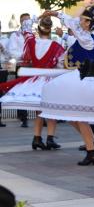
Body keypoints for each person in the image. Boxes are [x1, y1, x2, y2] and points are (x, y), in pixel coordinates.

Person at [39, 6, 94, 165]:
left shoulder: (88, 38)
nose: (80, 21)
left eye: (83, 19)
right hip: (79, 80)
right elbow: (72, 25)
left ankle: (92, 151)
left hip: (83, 81)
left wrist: (55, 14)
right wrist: (54, 14)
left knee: (79, 117)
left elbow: (72, 23)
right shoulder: (85, 37)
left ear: (89, 23)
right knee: (70, 115)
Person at [0, 17, 64, 150]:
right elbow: (60, 63)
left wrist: (36, 17)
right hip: (48, 79)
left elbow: (25, 26)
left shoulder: (31, 41)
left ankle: (37, 138)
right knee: (51, 109)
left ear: (38, 29)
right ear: (50, 29)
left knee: (39, 110)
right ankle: (50, 138)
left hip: (34, 79)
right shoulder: (56, 45)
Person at [7, 13, 30, 128]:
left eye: (28, 20)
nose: (27, 23)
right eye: (25, 21)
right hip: (21, 65)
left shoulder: (34, 35)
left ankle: (41, 117)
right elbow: (12, 51)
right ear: (21, 22)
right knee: (22, 90)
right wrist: (24, 55)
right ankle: (23, 117)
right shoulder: (15, 35)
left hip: (33, 66)